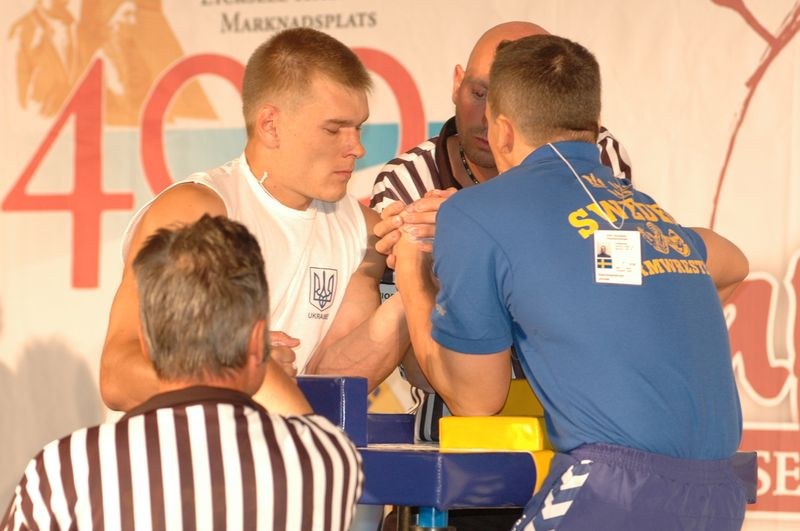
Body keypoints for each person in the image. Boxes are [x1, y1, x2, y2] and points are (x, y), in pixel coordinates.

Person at [393, 34, 749, 530]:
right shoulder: (644, 212)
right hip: (719, 494)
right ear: (594, 128)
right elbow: (735, 262)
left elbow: (476, 400)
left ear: (503, 130)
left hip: (612, 488)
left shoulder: (475, 214)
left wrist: (411, 275)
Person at [100, 27, 409, 413]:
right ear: (270, 125)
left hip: (281, 461)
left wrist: (415, 284)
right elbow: (117, 377)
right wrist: (242, 376)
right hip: (177, 461)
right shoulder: (196, 212)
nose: (357, 148)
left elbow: (327, 378)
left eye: (358, 126)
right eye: (334, 129)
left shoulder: (363, 232)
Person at [1, 215, 363, 530]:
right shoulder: (327, 457)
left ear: (146, 342)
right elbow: (302, 420)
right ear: (258, 342)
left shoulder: (68, 467)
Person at [369, 20, 632, 444]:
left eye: (507, 101)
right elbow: (415, 357)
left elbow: (608, 289)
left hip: (575, 435)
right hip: (454, 438)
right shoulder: (405, 178)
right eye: (479, 93)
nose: (489, 114)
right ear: (457, 83)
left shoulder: (595, 154)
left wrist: (469, 234)